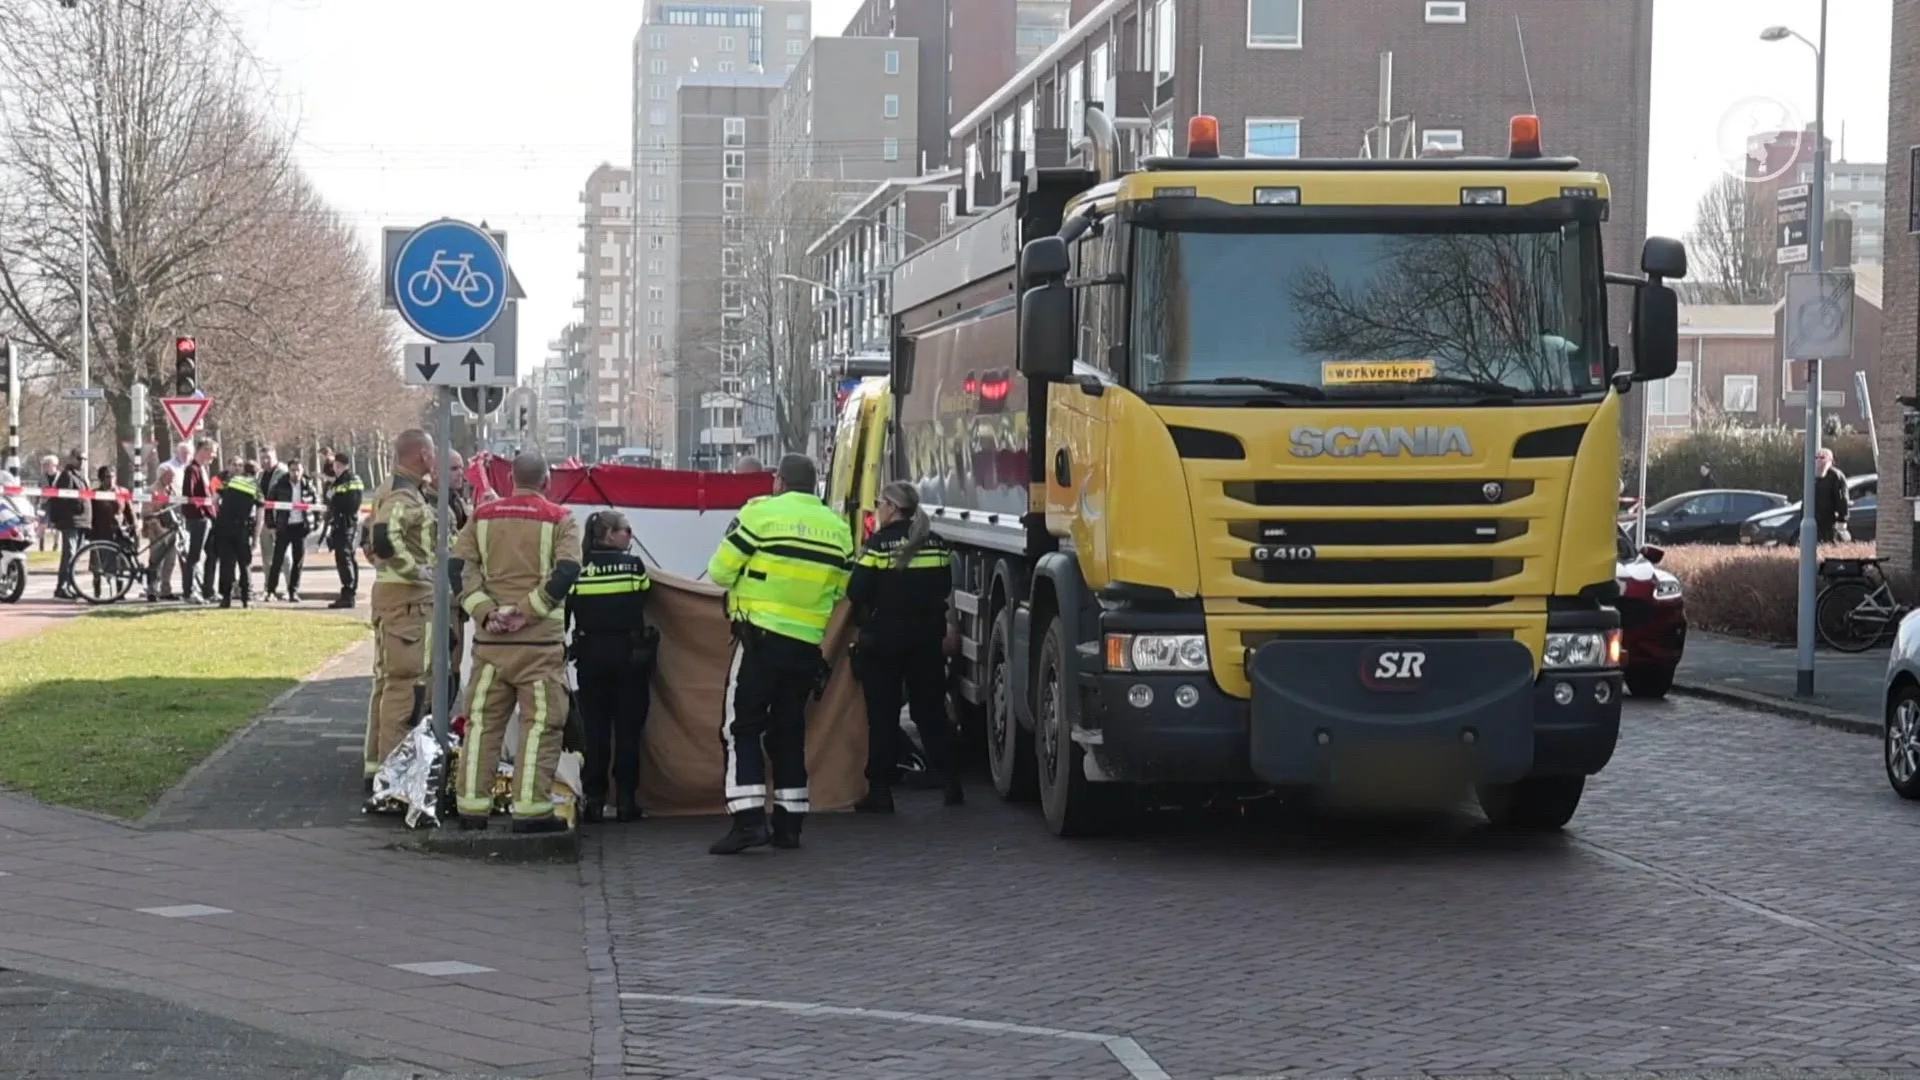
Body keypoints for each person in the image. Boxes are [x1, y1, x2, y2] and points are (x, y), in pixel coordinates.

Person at [705, 453, 854, 855]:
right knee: (789, 732)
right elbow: (841, 588)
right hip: (806, 646)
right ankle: (789, 825)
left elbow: (719, 571)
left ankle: (748, 819)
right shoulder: (839, 529)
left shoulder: (760, 515)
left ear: (778, 481)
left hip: (760, 640)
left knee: (742, 728)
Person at [450, 452, 583, 834]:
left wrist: (486, 612)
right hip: (539, 648)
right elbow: (567, 570)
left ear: (510, 480)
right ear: (547, 482)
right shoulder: (562, 519)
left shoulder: (482, 516)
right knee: (540, 726)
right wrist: (528, 611)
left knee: (481, 725)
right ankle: (530, 811)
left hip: (491, 647)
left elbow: (458, 568)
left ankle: (471, 809)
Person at [848, 482, 962, 812]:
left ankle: (880, 791)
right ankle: (950, 780)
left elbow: (857, 590)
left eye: (879, 503)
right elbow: (944, 586)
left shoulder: (879, 546)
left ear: (892, 508)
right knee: (930, 712)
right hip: (926, 641)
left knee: (882, 716)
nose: (876, 509)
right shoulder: (937, 545)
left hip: (883, 643)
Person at [566, 510, 654, 824]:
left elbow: (568, 610)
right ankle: (627, 802)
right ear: (610, 535)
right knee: (629, 731)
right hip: (629, 657)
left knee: (595, 731)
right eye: (626, 531)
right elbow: (644, 597)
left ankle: (594, 800)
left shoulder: (577, 570)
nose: (630, 536)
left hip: (590, 657)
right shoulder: (634, 567)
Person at [361, 429, 437, 786]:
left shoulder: (392, 487)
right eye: (433, 452)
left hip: (394, 598)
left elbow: (373, 538)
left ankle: (377, 770)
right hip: (407, 601)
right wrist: (415, 569)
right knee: (405, 686)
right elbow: (382, 536)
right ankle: (394, 780)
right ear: (422, 454)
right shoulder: (404, 495)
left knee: (387, 683)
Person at [209, 459, 263, 609]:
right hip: (241, 528)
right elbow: (260, 514)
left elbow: (214, 500)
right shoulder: (255, 486)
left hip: (223, 527)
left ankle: (225, 598)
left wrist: (221, 516)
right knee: (244, 564)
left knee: (226, 564)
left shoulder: (230, 481)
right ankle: (247, 599)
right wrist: (256, 537)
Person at [265, 460, 317, 602]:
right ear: (288, 471)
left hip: (300, 527)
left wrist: (314, 524)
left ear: (302, 470)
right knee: (277, 560)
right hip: (284, 527)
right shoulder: (280, 485)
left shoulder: (308, 486)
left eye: (298, 470)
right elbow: (268, 506)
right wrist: (271, 525)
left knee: (298, 561)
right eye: (293, 470)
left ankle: (293, 591)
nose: (296, 473)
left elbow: (316, 505)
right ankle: (270, 590)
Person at [323, 452, 365, 609]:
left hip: (345, 524)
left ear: (338, 465)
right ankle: (349, 592)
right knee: (347, 558)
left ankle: (348, 594)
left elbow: (347, 504)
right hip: (343, 524)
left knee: (344, 558)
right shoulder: (342, 480)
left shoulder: (349, 480)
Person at [179, 439, 217, 603]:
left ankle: (208, 590)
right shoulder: (192, 470)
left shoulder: (203, 469)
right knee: (194, 556)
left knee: (212, 554)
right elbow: (191, 495)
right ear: (204, 450)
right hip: (198, 520)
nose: (214, 456)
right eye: (213, 451)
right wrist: (201, 513)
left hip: (207, 518)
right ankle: (189, 592)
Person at [46, 450, 86, 600]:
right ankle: (62, 587)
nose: (81, 462)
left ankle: (70, 585)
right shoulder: (67, 476)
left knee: (75, 556)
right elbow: (61, 499)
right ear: (71, 459)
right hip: (71, 521)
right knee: (69, 555)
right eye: (79, 459)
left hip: (81, 521)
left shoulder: (81, 476)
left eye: (83, 459)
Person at [256, 450, 287, 582]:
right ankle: (269, 588)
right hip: (264, 520)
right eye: (262, 458)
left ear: (275, 457)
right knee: (267, 557)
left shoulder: (283, 473)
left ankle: (290, 588)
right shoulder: (260, 475)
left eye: (268, 458)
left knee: (285, 557)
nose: (265, 461)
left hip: (280, 520)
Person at [1813, 446, 1851, 544]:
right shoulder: (1812, 477)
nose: (1818, 461)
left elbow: (1842, 499)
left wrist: (1842, 519)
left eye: (1822, 458)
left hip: (1831, 521)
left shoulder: (1836, 476)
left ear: (1830, 460)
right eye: (1816, 458)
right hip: (1815, 521)